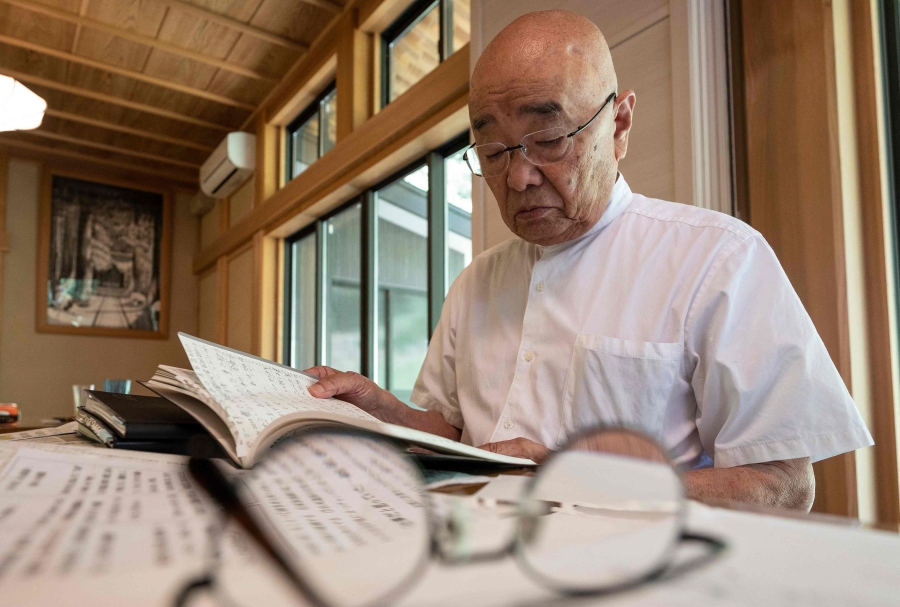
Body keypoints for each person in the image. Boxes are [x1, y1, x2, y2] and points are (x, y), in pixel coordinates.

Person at [304, 10, 872, 511]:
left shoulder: (718, 259)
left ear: (618, 125)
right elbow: (450, 429)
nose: (518, 178)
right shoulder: (477, 281)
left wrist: (581, 480)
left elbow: (783, 488)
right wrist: (380, 409)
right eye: (494, 151)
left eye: (548, 138)